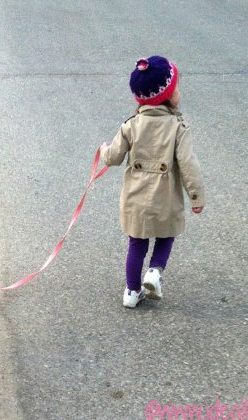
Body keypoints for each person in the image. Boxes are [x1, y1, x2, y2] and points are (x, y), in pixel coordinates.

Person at [100, 55, 205, 308]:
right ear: (167, 95)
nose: (178, 92)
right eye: (176, 88)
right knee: (166, 236)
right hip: (165, 197)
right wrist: (196, 197)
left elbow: (112, 157)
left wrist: (102, 150)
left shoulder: (131, 125)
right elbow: (189, 164)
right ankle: (155, 272)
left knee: (136, 243)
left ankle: (131, 292)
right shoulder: (178, 127)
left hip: (135, 197)